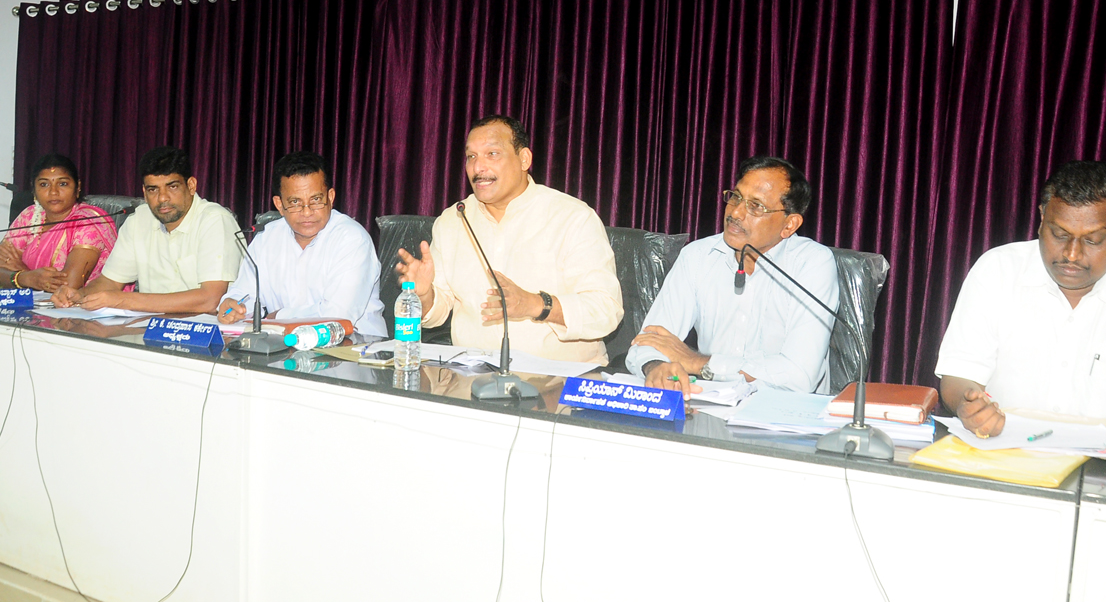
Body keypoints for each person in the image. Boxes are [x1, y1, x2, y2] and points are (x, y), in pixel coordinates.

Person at [935, 160, 1106, 460]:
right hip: (1003, 452)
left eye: (1092, 240)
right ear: (1041, 219)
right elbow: (958, 375)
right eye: (1059, 234)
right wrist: (970, 406)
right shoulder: (998, 269)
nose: (1072, 254)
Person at [395, 115, 623, 364]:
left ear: (524, 159)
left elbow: (606, 309)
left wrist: (536, 305)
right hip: (472, 375)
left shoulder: (572, 217)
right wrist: (424, 294)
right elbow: (438, 312)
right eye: (471, 156)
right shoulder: (454, 220)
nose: (478, 168)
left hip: (560, 376)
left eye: (492, 154)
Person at [626, 156, 839, 398]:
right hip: (708, 403)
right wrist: (656, 366)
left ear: (789, 225)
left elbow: (799, 376)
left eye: (756, 206)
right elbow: (648, 341)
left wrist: (699, 363)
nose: (736, 212)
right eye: (736, 197)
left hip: (783, 411)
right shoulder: (698, 256)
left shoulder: (812, 263)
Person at [51, 146, 243, 313]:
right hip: (149, 328)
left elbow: (211, 299)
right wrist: (80, 295)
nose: (162, 198)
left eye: (172, 187)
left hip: (206, 332)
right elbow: (110, 282)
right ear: (144, 192)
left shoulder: (214, 220)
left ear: (191, 186)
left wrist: (123, 300)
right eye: (153, 189)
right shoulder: (139, 220)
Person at [217, 151, 387, 337]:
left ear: (330, 197)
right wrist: (233, 305)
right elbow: (244, 293)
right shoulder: (266, 238)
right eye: (295, 202)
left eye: (316, 200)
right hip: (283, 345)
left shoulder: (352, 239)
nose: (307, 212)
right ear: (279, 205)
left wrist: (278, 317)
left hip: (354, 346)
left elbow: (337, 317)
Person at [0, 153, 117, 293]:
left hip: (82, 304)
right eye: (44, 184)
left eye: (63, 184)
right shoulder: (30, 215)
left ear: (78, 187)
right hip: (30, 303)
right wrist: (26, 278)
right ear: (34, 189)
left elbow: (68, 286)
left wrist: (23, 274)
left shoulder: (87, 222)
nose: (53, 192)